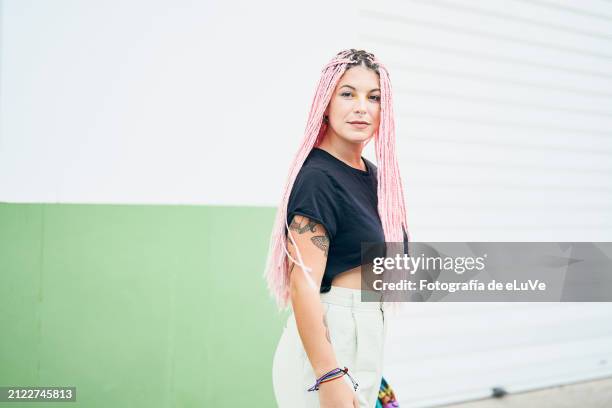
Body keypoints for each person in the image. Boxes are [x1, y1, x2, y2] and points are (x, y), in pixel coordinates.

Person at [265, 49, 409, 408]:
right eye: (348, 93)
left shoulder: (376, 179)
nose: (362, 106)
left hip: (362, 332)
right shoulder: (318, 177)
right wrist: (328, 376)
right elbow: (304, 285)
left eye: (374, 97)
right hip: (332, 341)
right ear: (325, 104)